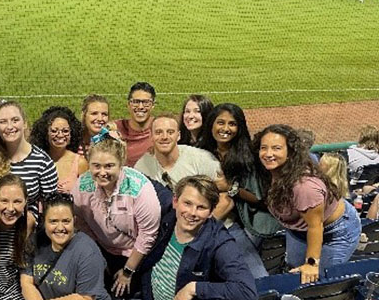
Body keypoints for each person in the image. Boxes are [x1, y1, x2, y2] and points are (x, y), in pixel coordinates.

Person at [255, 124, 361, 283]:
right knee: (295, 272)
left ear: (290, 152)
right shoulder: (267, 171)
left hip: (335, 232)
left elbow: (315, 226)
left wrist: (312, 263)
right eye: (264, 148)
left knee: (318, 280)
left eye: (276, 148)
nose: (268, 154)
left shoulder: (304, 186)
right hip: (299, 229)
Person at [72, 135, 161, 298]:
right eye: (96, 166)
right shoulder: (82, 186)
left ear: (121, 164)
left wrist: (128, 271)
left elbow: (147, 235)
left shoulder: (140, 189)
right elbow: (80, 221)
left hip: (136, 253)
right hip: (102, 248)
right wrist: (96, 253)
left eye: (109, 166)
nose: (102, 172)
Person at [141, 175, 257, 300]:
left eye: (201, 207)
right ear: (175, 201)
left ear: (211, 212)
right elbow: (142, 180)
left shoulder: (219, 242)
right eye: (187, 203)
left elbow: (246, 291)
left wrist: (194, 288)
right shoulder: (169, 211)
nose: (192, 213)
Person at [198, 103, 274, 279]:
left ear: (239, 128)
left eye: (232, 124)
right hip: (213, 220)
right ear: (211, 124)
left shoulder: (249, 155)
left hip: (247, 223)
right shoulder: (201, 152)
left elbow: (263, 198)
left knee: (252, 274)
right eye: (220, 122)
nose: (225, 128)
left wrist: (231, 188)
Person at [0, 99, 57, 230]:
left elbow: (51, 205)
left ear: (24, 124)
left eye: (15, 120)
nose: (9, 126)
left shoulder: (43, 162)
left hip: (25, 222)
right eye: (3, 122)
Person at [21, 193, 110, 300]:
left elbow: (85, 297)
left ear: (74, 221)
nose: (60, 227)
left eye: (66, 221)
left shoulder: (88, 252)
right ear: (44, 222)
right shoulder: (35, 241)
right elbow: (26, 282)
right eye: (53, 221)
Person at [134, 112, 220, 190]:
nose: (164, 137)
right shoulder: (142, 167)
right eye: (158, 132)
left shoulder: (202, 159)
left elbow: (224, 193)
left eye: (170, 132)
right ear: (151, 136)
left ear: (178, 136)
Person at [29, 106, 88, 193]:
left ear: (72, 134)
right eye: (54, 131)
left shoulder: (81, 163)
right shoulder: (38, 161)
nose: (60, 135)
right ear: (45, 133)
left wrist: (73, 192)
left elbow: (88, 195)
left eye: (65, 131)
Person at [114, 82, 156, 167]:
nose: (140, 106)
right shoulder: (116, 129)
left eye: (146, 102)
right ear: (128, 104)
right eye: (136, 102)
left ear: (153, 105)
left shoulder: (160, 129)